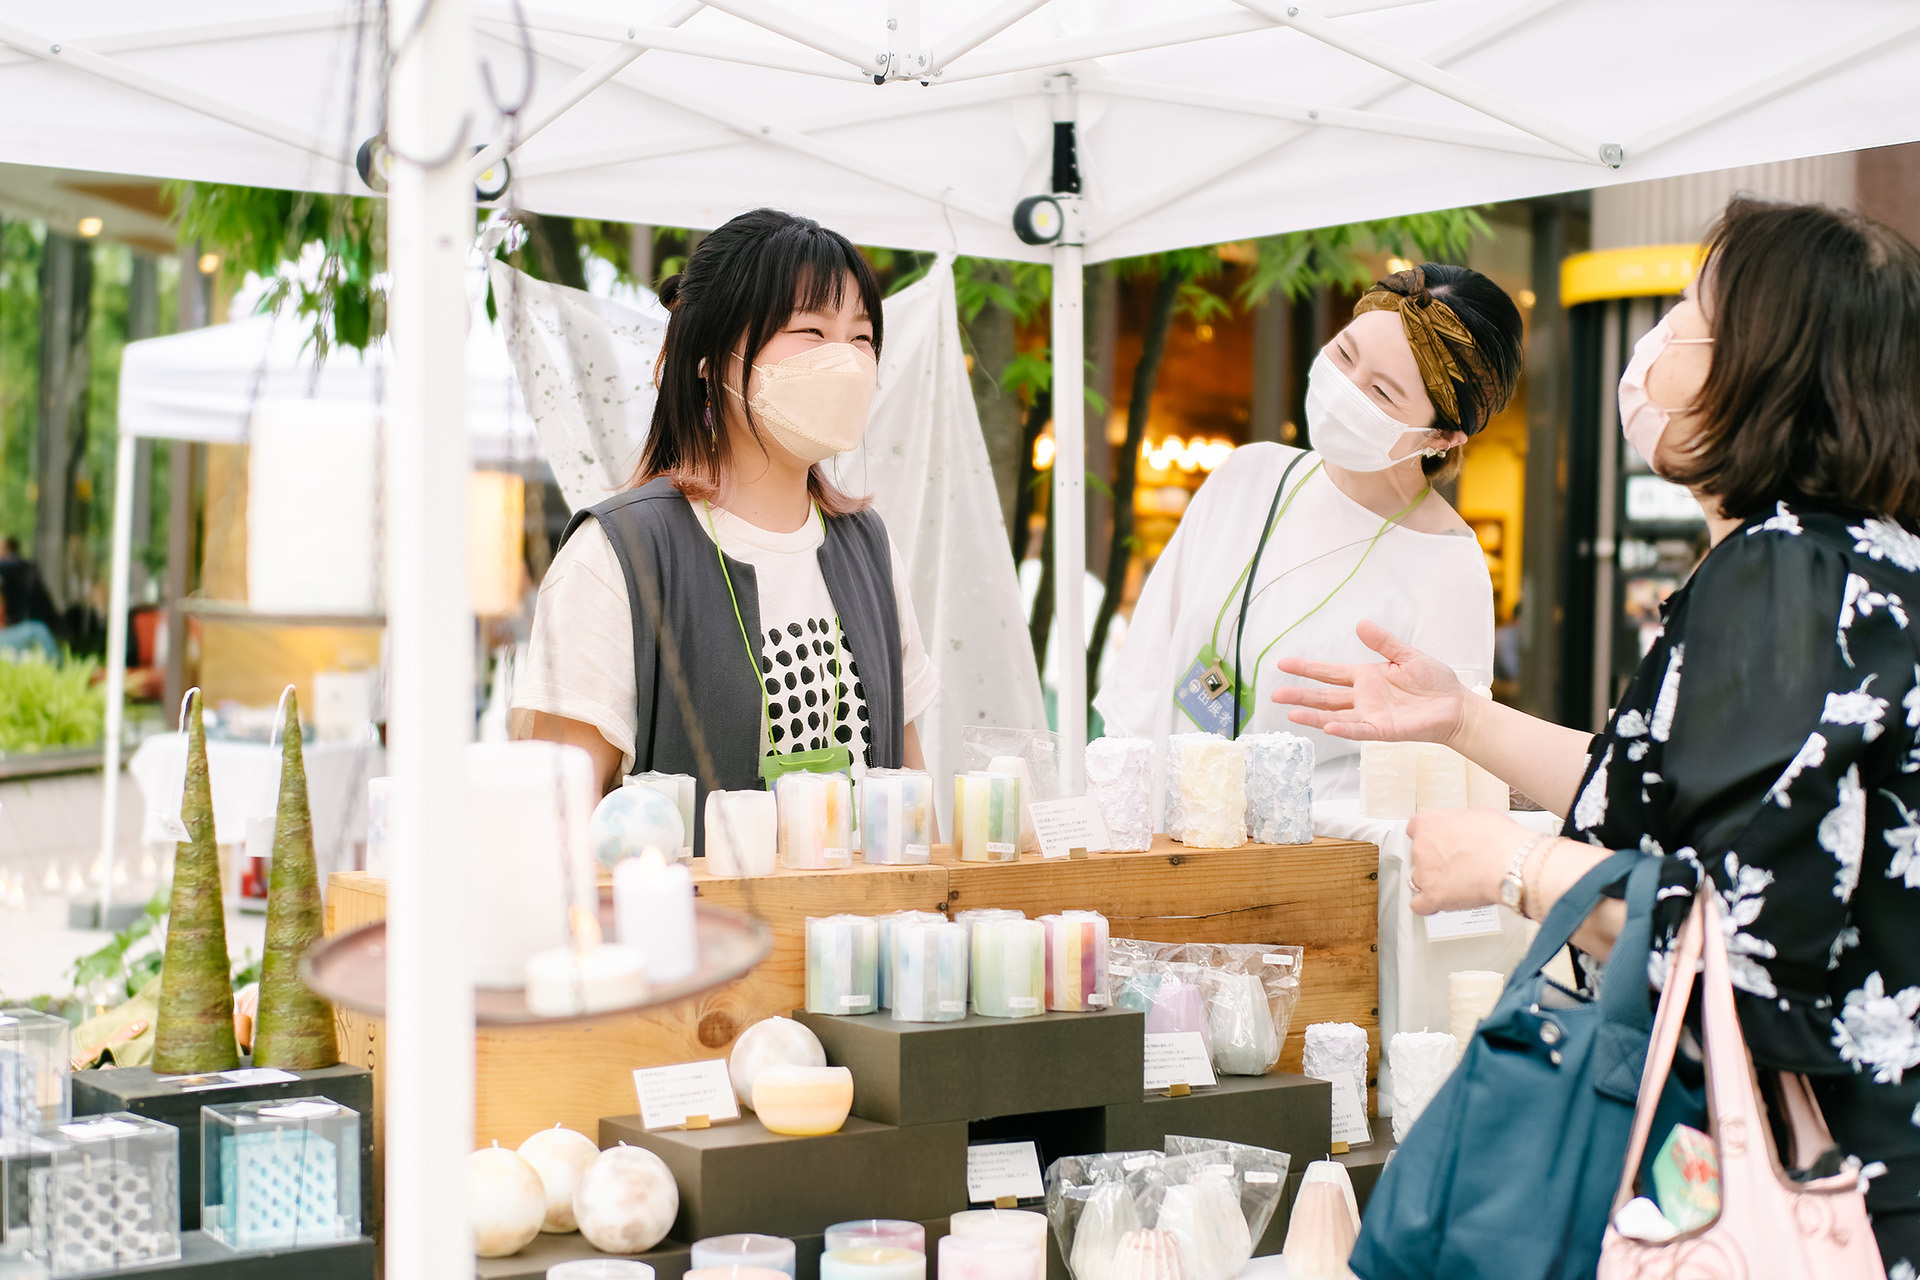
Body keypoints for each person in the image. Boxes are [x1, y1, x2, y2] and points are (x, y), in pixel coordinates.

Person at [1276, 198, 1920, 1269]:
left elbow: (1733, 925)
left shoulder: (1787, 579)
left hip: (1790, 1201)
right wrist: (1464, 716)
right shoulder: (1862, 564)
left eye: (1692, 313)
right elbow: (1706, 800)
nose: (1660, 341)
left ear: (1764, 366)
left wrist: (1515, 863)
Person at [510, 209, 939, 837]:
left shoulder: (869, 548)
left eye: (862, 338)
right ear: (712, 357)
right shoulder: (619, 555)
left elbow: (911, 801)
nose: (846, 361)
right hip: (699, 933)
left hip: (862, 933)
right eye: (812, 332)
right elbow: (547, 832)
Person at [1094, 264, 1522, 810]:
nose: (1345, 388)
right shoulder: (1247, 476)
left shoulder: (1448, 568)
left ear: (1441, 435)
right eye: (1344, 354)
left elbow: (1439, 785)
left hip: (1315, 866)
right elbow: (1144, 671)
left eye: (1382, 393)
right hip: (1162, 839)